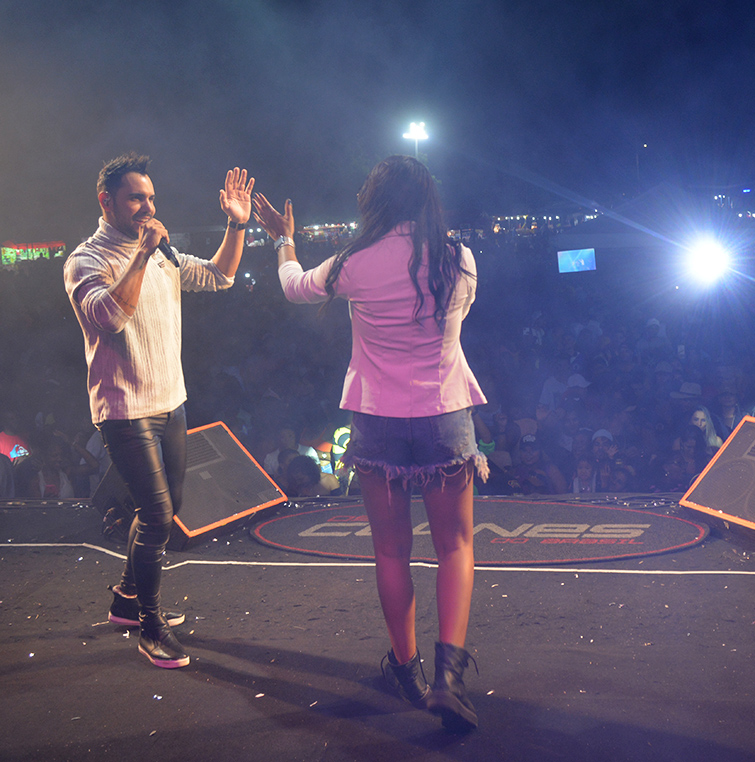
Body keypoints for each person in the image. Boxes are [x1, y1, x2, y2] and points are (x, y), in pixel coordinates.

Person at [253, 155, 486, 732]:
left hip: (377, 421)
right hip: (442, 413)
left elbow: (292, 288)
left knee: (391, 552)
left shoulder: (352, 262)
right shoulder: (459, 259)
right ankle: (447, 681)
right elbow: (461, 315)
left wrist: (285, 242)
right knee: (455, 547)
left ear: (375, 202)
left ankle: (405, 668)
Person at [63, 152, 253, 669]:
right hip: (125, 409)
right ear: (107, 202)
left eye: (151, 197)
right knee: (157, 516)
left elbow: (218, 275)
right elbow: (110, 317)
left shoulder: (165, 252)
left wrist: (235, 226)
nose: (148, 207)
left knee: (165, 509)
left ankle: (127, 599)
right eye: (136, 198)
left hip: (172, 401)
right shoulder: (87, 259)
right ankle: (149, 624)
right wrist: (143, 256)